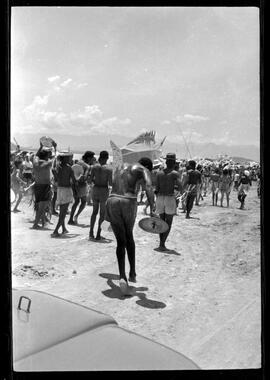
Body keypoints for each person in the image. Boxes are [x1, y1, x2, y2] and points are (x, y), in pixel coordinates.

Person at [105, 157, 155, 295]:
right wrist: (152, 208)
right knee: (129, 237)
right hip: (128, 202)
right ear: (147, 166)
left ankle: (122, 276)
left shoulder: (119, 167)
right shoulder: (143, 169)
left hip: (112, 200)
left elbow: (113, 183)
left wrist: (109, 282)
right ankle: (132, 272)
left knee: (121, 242)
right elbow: (149, 187)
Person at [154, 153, 182, 251]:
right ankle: (162, 243)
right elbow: (180, 187)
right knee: (168, 223)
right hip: (170, 198)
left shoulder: (159, 173)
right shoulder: (175, 173)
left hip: (160, 198)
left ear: (166, 162)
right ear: (174, 162)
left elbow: (156, 189)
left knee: (161, 221)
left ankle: (160, 242)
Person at [51, 151, 77, 237]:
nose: (70, 159)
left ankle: (63, 229)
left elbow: (56, 178)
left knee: (62, 211)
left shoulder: (57, 167)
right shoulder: (69, 168)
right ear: (65, 158)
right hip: (66, 190)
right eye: (69, 157)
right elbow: (74, 181)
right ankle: (55, 231)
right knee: (63, 213)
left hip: (59, 190)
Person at [89, 151, 112, 240]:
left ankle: (91, 233)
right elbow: (110, 183)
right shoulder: (109, 169)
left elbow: (90, 180)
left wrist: (96, 181)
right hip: (103, 190)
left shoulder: (94, 167)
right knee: (102, 214)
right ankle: (98, 234)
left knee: (94, 212)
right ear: (107, 158)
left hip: (95, 189)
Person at [31, 143, 55, 229]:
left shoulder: (35, 162)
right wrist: (54, 147)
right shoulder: (47, 163)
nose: (49, 155)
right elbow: (54, 157)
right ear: (46, 156)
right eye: (48, 154)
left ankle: (41, 223)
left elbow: (36, 155)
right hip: (45, 187)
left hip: (37, 186)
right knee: (42, 207)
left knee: (39, 206)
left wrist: (40, 147)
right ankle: (35, 224)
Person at [68, 151, 95, 225]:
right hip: (81, 185)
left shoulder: (78, 162)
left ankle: (70, 219)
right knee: (83, 202)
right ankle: (76, 216)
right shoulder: (87, 166)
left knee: (76, 202)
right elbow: (85, 177)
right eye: (92, 158)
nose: (93, 159)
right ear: (89, 157)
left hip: (73, 184)